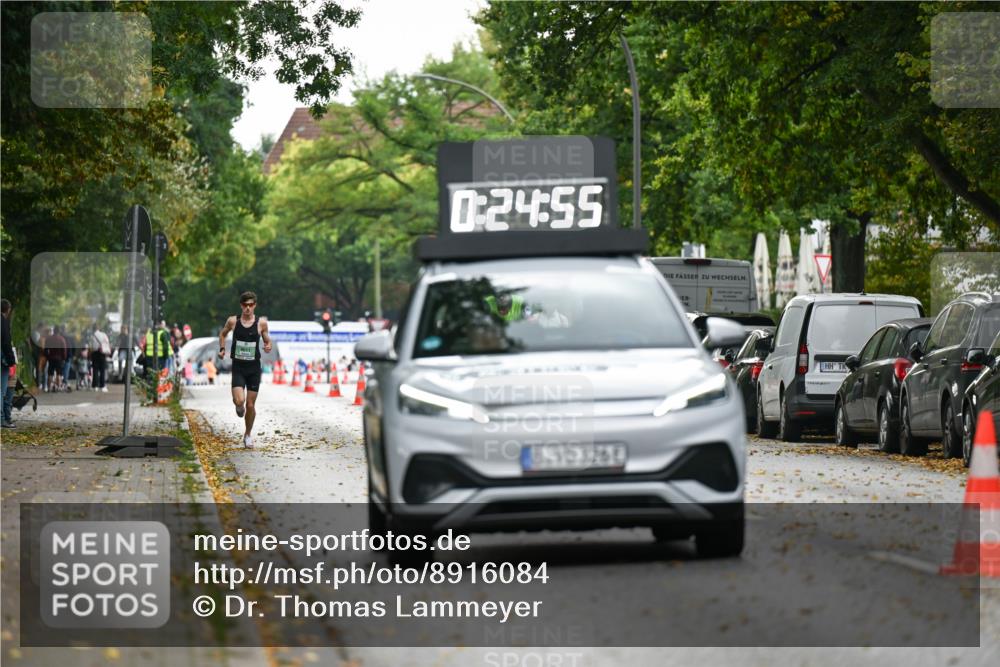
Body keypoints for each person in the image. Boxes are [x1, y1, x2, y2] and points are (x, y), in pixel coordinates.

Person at [217, 291, 272, 448]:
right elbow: (222, 334)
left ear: (255, 305)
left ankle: (247, 434)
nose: (248, 308)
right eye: (245, 305)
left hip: (254, 368)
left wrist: (268, 345)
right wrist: (222, 348)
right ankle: (238, 406)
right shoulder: (233, 321)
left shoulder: (261, 323)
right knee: (240, 401)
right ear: (241, 306)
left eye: (251, 305)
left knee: (250, 405)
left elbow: (267, 340)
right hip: (239, 367)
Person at [2, 299, 16, 428]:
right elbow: (6, 343)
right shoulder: (4, 322)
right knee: (2, 390)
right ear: (8, 309)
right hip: (3, 360)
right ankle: (2, 419)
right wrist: (12, 360)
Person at [44, 326, 67, 392]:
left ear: (53, 331)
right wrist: (64, 358)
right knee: (59, 373)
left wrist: (47, 356)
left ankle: (49, 388)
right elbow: (64, 350)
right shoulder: (62, 339)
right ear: (59, 331)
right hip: (59, 359)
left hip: (51, 358)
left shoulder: (49, 339)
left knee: (50, 373)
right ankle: (58, 387)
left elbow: (46, 349)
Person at [89, 323, 111, 392]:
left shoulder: (92, 336)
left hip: (94, 353)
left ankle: (95, 386)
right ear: (99, 328)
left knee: (95, 370)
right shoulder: (103, 334)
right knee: (102, 370)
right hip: (102, 353)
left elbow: (90, 346)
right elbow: (107, 342)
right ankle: (102, 386)